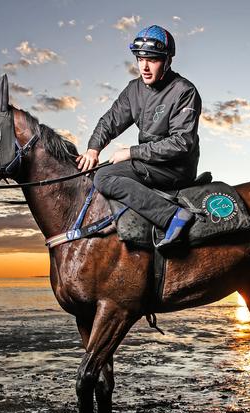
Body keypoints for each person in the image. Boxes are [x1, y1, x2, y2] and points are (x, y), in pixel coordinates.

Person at [76, 25, 202, 248]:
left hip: (174, 168)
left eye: (152, 59)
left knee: (104, 177)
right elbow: (110, 121)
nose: (144, 66)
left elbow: (182, 143)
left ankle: (172, 216)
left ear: (168, 60)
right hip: (148, 162)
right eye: (140, 58)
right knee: (95, 172)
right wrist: (93, 148)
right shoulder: (134, 89)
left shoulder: (184, 91)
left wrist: (131, 153)